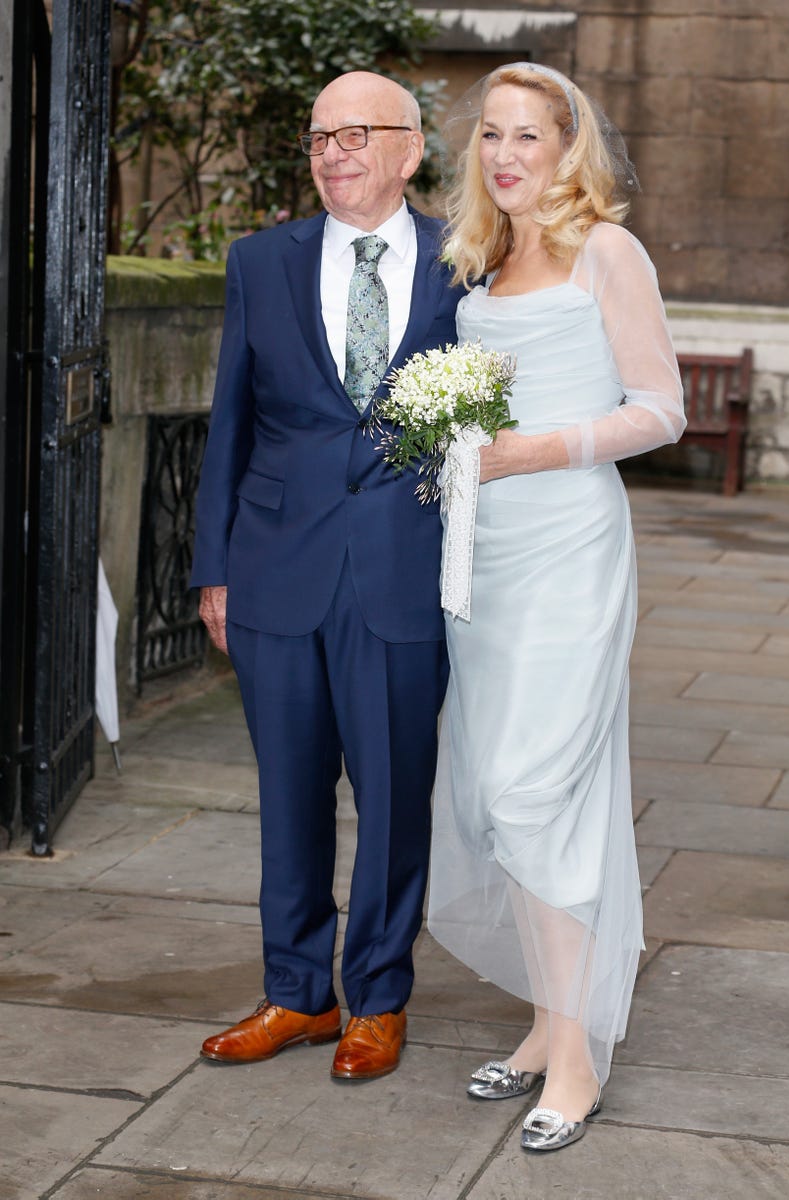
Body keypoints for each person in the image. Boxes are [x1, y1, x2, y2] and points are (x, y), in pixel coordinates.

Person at [426, 63, 686, 1151]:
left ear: (566, 147)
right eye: (489, 135)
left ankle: (572, 1064)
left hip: (570, 544)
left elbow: (659, 410)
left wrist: (535, 449)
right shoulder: (482, 258)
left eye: (527, 136)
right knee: (495, 793)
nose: (504, 155)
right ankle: (544, 1024)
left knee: (536, 792)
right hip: (482, 558)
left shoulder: (604, 251)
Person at [190, 71, 460, 1081]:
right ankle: (297, 993)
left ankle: (377, 996)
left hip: (404, 568)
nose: (333, 153)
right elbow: (231, 418)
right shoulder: (260, 260)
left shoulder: (466, 260)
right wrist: (213, 566)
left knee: (394, 792)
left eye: (356, 134)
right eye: (317, 139)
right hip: (272, 568)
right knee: (288, 791)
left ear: (408, 147)